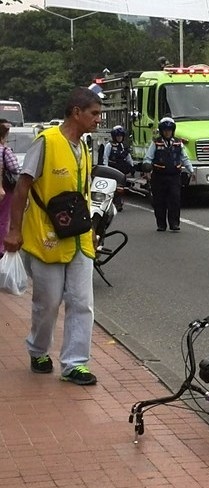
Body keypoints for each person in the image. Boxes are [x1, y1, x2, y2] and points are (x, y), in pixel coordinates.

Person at [3, 87, 102, 385]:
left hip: (78, 238)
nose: (99, 119)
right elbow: (22, 188)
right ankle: (38, 350)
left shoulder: (84, 146)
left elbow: (83, 194)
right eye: (94, 114)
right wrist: (14, 229)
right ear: (76, 112)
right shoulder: (46, 142)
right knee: (48, 303)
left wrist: (92, 231)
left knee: (82, 302)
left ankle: (74, 364)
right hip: (47, 237)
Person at [143, 117, 194, 231]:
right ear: (161, 131)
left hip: (174, 176)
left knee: (175, 200)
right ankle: (161, 224)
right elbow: (148, 158)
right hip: (159, 176)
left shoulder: (178, 143)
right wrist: (147, 170)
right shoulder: (156, 142)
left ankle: (174, 224)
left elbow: (184, 158)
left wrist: (191, 170)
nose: (167, 132)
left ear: (173, 131)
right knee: (159, 201)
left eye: (169, 130)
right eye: (165, 130)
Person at [1, 118, 21, 257]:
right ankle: (1, 247)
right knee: (3, 219)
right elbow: (15, 168)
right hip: (4, 190)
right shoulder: (4, 150)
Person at [101, 125, 134, 211]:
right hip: (112, 169)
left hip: (121, 170)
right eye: (118, 136)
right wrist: (106, 168)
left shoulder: (123, 147)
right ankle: (108, 203)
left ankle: (118, 203)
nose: (119, 138)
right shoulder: (109, 145)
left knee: (120, 187)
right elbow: (105, 157)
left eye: (121, 136)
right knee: (111, 187)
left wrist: (132, 167)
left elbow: (128, 157)